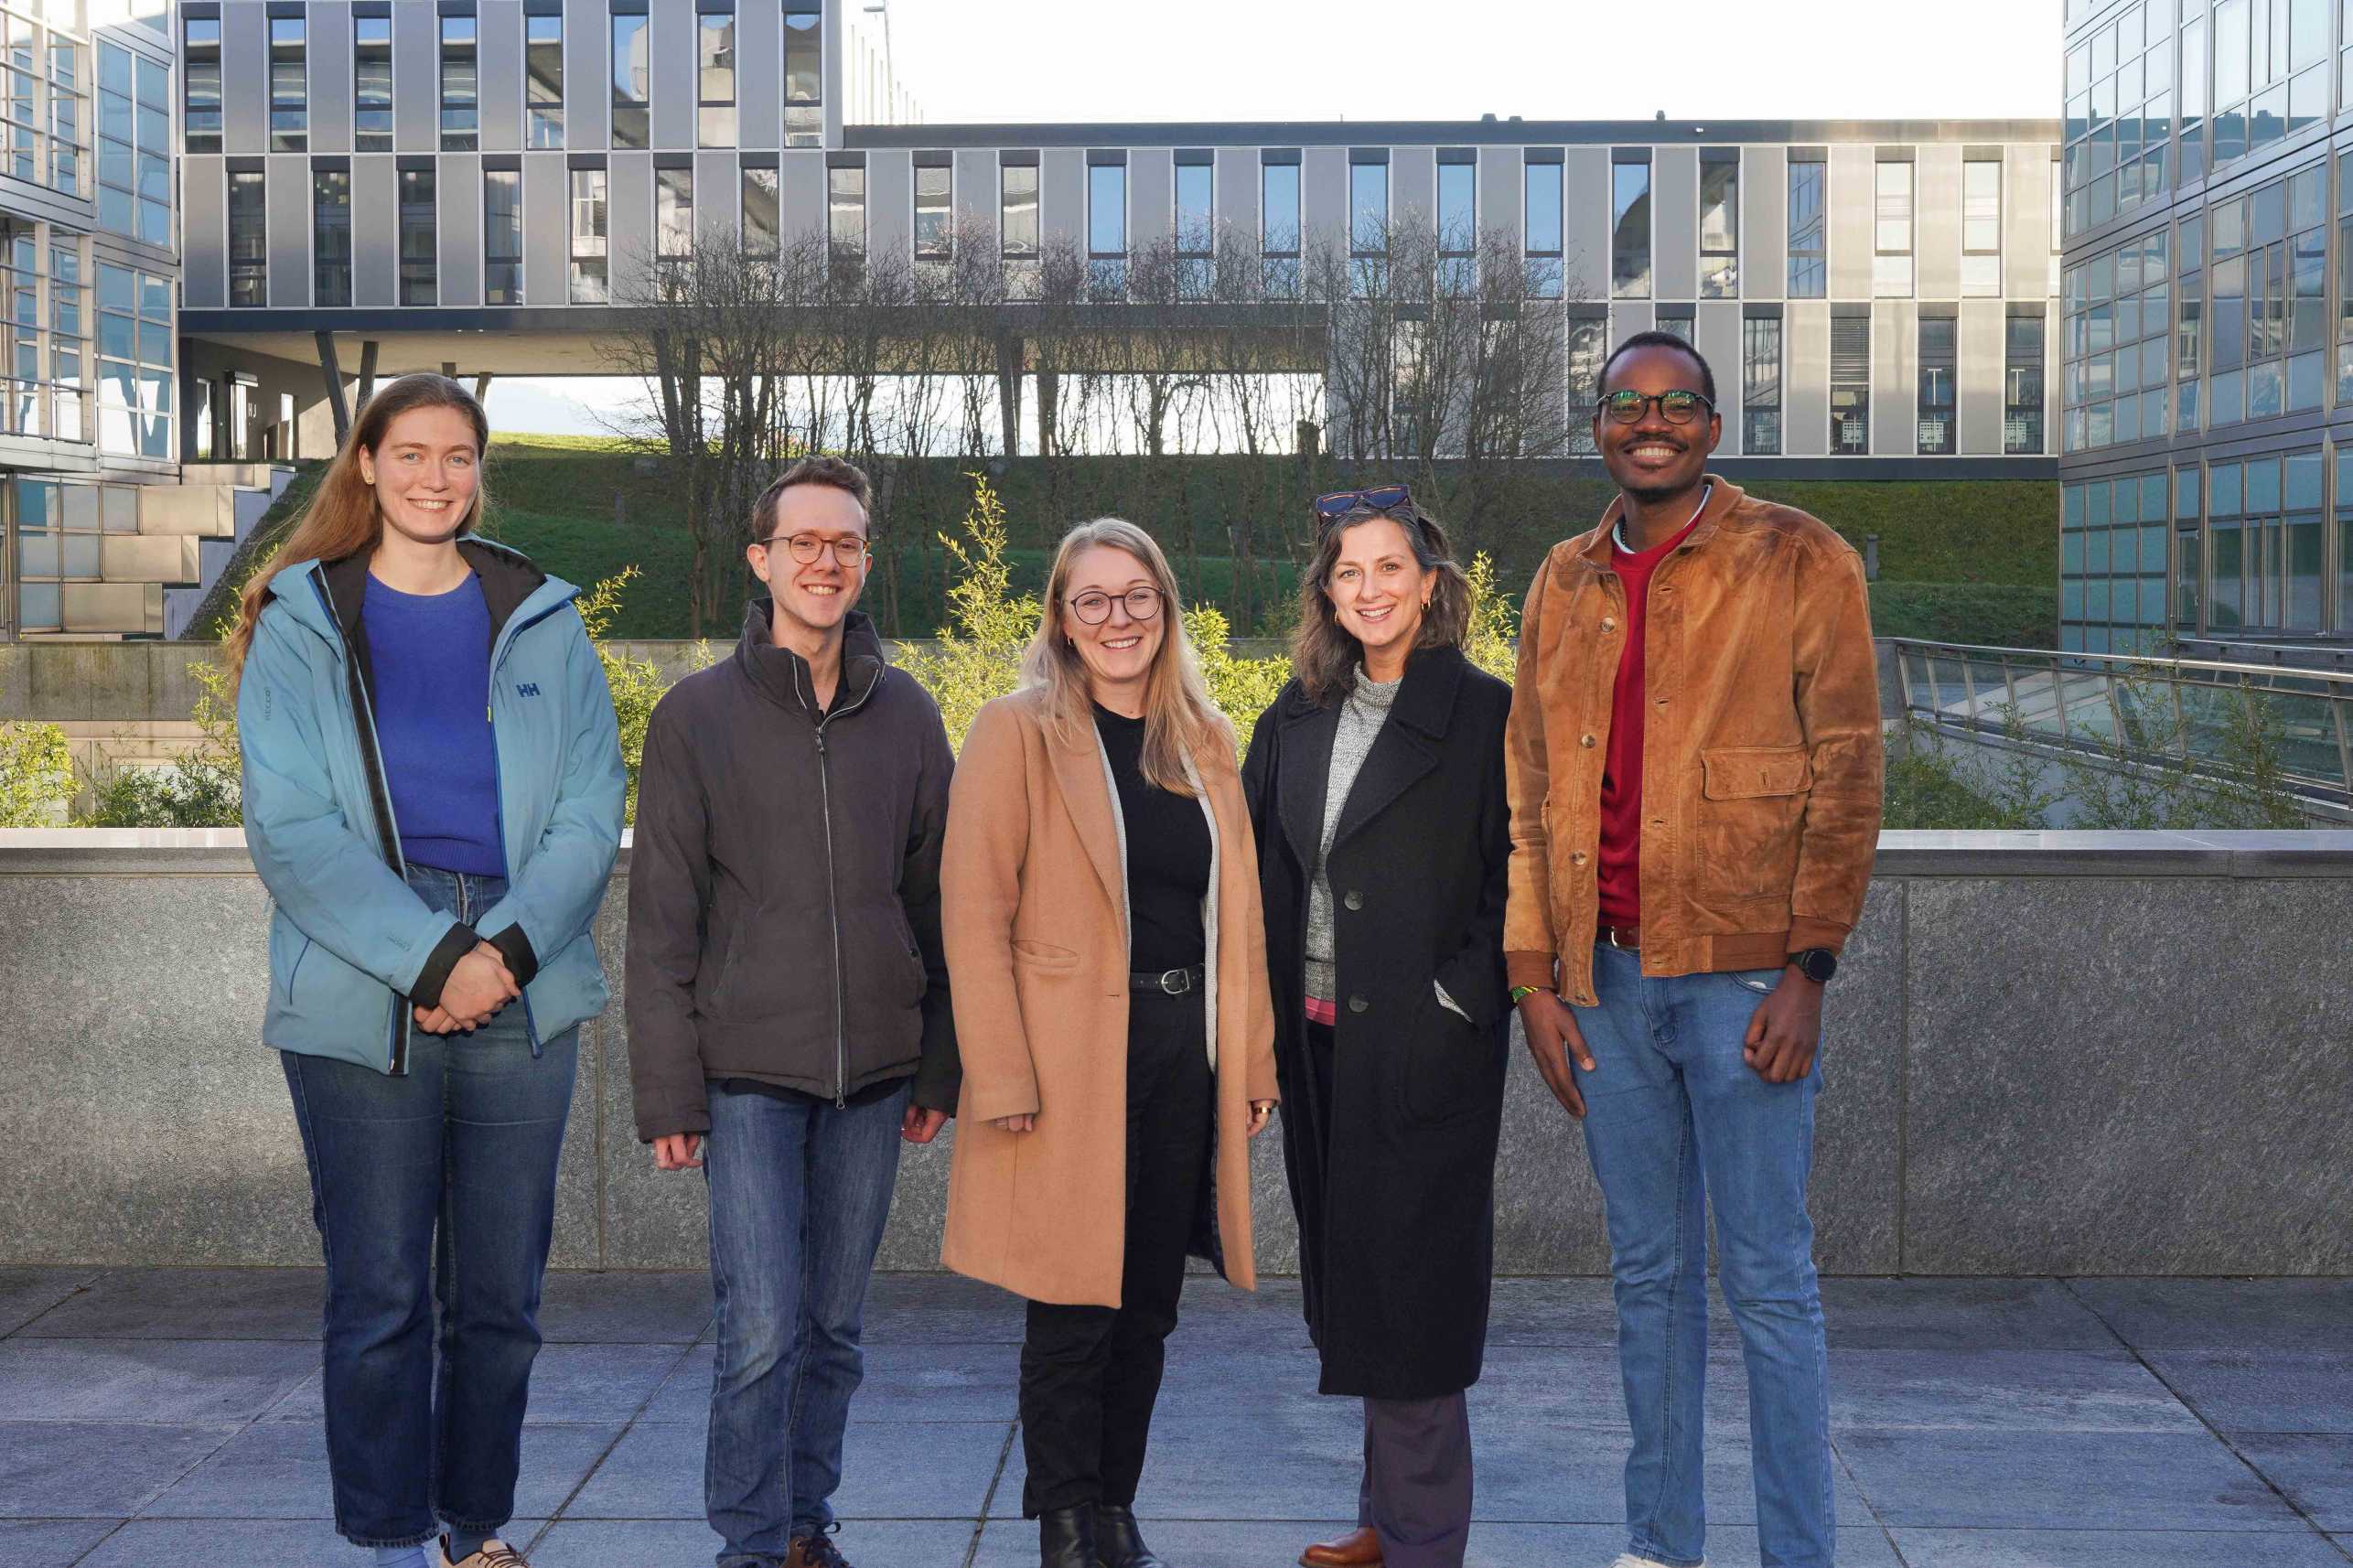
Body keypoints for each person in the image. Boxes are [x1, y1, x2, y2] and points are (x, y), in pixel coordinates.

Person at [231, 372, 626, 1568]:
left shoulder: (543, 620)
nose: (434, 477)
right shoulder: (299, 617)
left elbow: (588, 807)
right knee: (383, 1289)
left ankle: (477, 1528)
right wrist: (434, 957)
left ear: (478, 469)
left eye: (457, 456)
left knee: (499, 1296)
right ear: (365, 462)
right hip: (363, 979)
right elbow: (291, 829)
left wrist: (499, 952)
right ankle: (392, 1536)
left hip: (520, 969)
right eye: (411, 453)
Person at [1505, 331, 1883, 1568]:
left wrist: (1808, 966)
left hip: (1745, 983)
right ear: (1600, 426)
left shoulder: (1799, 557)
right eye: (1625, 403)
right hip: (1603, 986)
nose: (1648, 421)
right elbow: (1526, 799)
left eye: (1676, 404)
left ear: (1714, 427)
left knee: (1770, 1281)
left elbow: (1848, 773)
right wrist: (1535, 982)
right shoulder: (1561, 580)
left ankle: (1798, 1554)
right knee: (1648, 1280)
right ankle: (1660, 1544)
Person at [627, 456, 960, 1568]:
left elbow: (939, 900)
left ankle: (805, 1529)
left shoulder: (907, 713)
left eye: (847, 543)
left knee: (834, 1331)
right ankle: (750, 1542)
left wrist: (938, 1065)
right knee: (761, 1330)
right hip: (746, 1075)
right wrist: (667, 1086)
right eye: (804, 542)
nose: (826, 561)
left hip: (874, 1075)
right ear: (761, 560)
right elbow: (662, 919)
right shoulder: (695, 718)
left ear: (866, 562)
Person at [939, 518, 1279, 1568]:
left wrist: (1252, 1062)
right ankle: (1067, 1520)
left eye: (1137, 596)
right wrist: (999, 1072)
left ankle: (1116, 1506)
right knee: (1074, 1299)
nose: (1117, 618)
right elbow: (972, 908)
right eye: (1093, 599)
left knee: (1150, 1303)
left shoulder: (1206, 743)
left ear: (1165, 610)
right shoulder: (1017, 731)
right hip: (1067, 1057)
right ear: (1062, 618)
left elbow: (1244, 921)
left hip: (1187, 1050)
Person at [1242, 487, 1512, 1568]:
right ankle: (1382, 1521)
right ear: (1326, 593)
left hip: (1419, 1043)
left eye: (1389, 568)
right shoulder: (1298, 712)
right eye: (1348, 573)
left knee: (1414, 1302)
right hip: (1313, 1045)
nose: (1370, 590)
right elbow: (1253, 853)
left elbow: (1520, 873)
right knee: (1353, 1285)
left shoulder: (1485, 711)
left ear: (1430, 582)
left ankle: (1421, 1544)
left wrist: (1457, 1000)